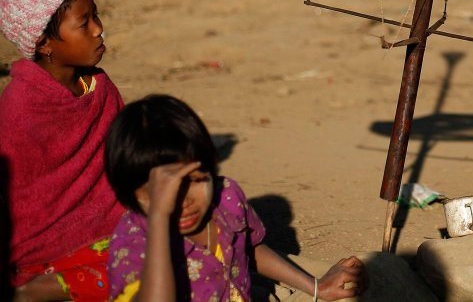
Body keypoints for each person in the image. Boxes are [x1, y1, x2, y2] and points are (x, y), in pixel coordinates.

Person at [103, 94, 368, 301]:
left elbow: (250, 247)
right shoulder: (133, 243)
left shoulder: (226, 196)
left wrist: (316, 287)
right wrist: (160, 220)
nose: (182, 201)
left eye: (194, 181)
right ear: (130, 194)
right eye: (162, 193)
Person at [0, 0, 125, 301]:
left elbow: (124, 160)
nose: (99, 29)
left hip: (114, 223)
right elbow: (19, 198)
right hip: (47, 249)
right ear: (44, 43)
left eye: (96, 15)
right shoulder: (20, 109)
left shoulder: (99, 87)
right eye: (85, 23)